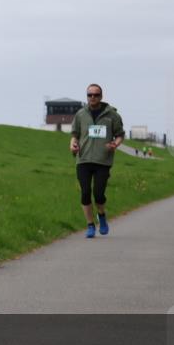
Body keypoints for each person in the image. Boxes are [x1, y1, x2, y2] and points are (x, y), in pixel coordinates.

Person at [70, 84, 125, 238]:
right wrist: (72, 145)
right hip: (83, 159)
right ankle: (90, 225)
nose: (93, 97)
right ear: (87, 96)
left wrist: (115, 144)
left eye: (96, 94)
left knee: (99, 194)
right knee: (85, 193)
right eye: (90, 95)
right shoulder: (81, 114)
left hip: (103, 160)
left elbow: (120, 135)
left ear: (101, 96)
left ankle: (101, 215)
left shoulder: (112, 115)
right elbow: (74, 135)